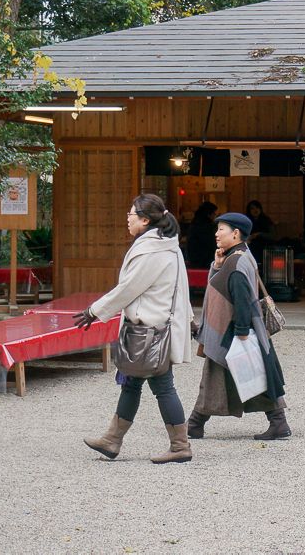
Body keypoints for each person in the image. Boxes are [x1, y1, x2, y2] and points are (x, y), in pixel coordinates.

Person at [76, 194, 194, 464]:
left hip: (149, 331)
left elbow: (128, 289)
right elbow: (180, 289)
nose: (127, 220)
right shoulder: (167, 247)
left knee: (161, 386)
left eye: (130, 215)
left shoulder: (152, 251)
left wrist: (95, 311)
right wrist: (188, 317)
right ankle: (112, 440)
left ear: (144, 219)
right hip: (154, 327)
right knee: (131, 383)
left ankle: (180, 446)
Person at [187, 212, 290, 441]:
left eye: (221, 229)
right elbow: (221, 285)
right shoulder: (239, 256)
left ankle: (195, 423)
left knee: (217, 376)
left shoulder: (236, 261)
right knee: (255, 373)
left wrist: (243, 331)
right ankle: (278, 421)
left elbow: (242, 298)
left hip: (232, 332)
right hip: (234, 330)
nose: (216, 233)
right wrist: (216, 264)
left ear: (235, 233)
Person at [186, 201, 218, 268]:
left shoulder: (194, 223)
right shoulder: (208, 226)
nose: (215, 216)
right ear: (209, 214)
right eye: (214, 214)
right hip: (206, 261)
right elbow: (211, 244)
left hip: (194, 260)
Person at [245, 200, 276, 265]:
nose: (255, 210)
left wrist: (259, 234)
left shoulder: (266, 220)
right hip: (251, 244)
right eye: (252, 208)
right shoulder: (247, 221)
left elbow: (272, 235)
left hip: (265, 244)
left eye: (257, 208)